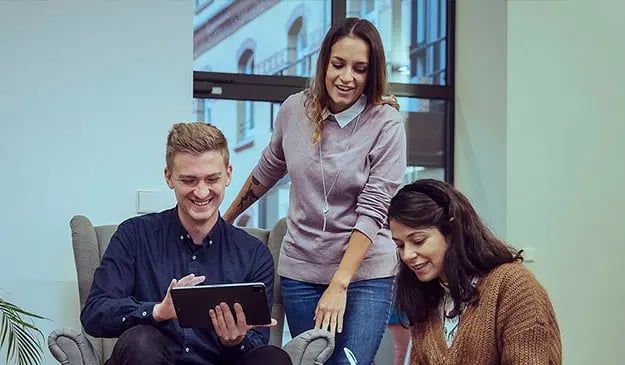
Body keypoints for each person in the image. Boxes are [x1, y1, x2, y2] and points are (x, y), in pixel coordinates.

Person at [223, 17, 406, 365]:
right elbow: (267, 169)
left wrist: (340, 282)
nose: (347, 77)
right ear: (324, 63)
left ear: (372, 73)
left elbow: (374, 207)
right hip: (302, 272)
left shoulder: (386, 124)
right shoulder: (295, 109)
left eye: (360, 69)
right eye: (338, 64)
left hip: (365, 274)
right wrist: (225, 219)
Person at [80, 122, 292, 365]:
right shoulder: (134, 235)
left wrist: (236, 340)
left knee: (273, 358)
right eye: (189, 180)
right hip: (149, 359)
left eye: (212, 179)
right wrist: (157, 311)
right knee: (141, 340)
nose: (201, 192)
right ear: (169, 177)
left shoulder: (254, 253)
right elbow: (94, 313)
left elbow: (257, 342)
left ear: (229, 175)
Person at [388, 179, 562, 364]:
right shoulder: (427, 298)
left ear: (451, 231)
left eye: (418, 240)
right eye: (399, 245)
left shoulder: (513, 286)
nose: (407, 255)